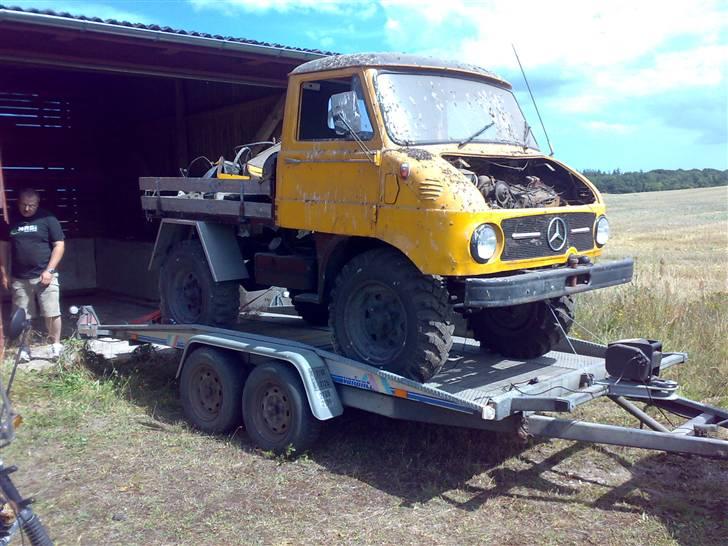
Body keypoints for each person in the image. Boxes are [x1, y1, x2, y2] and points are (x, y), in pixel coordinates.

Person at [0, 188, 65, 359]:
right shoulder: (10, 219)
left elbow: (59, 245)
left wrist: (49, 270)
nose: (27, 209)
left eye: (31, 205)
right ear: (18, 202)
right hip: (20, 278)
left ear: (38, 204)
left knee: (51, 312)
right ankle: (24, 348)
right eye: (24, 205)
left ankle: (56, 345)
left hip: (45, 276)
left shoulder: (48, 218)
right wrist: (4, 272)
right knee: (22, 316)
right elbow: (4, 247)